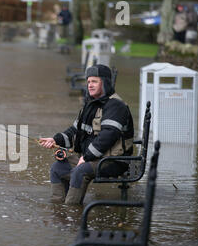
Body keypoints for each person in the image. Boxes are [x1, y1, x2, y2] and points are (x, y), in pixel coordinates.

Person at [39, 64, 134, 205]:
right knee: (57, 168)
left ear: (105, 82)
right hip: (91, 158)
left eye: (94, 81)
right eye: (88, 81)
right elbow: (74, 131)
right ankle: (57, 211)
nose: (90, 85)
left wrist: (86, 157)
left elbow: (108, 136)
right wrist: (55, 139)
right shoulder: (90, 105)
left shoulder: (116, 106)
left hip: (113, 161)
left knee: (80, 171)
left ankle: (72, 213)